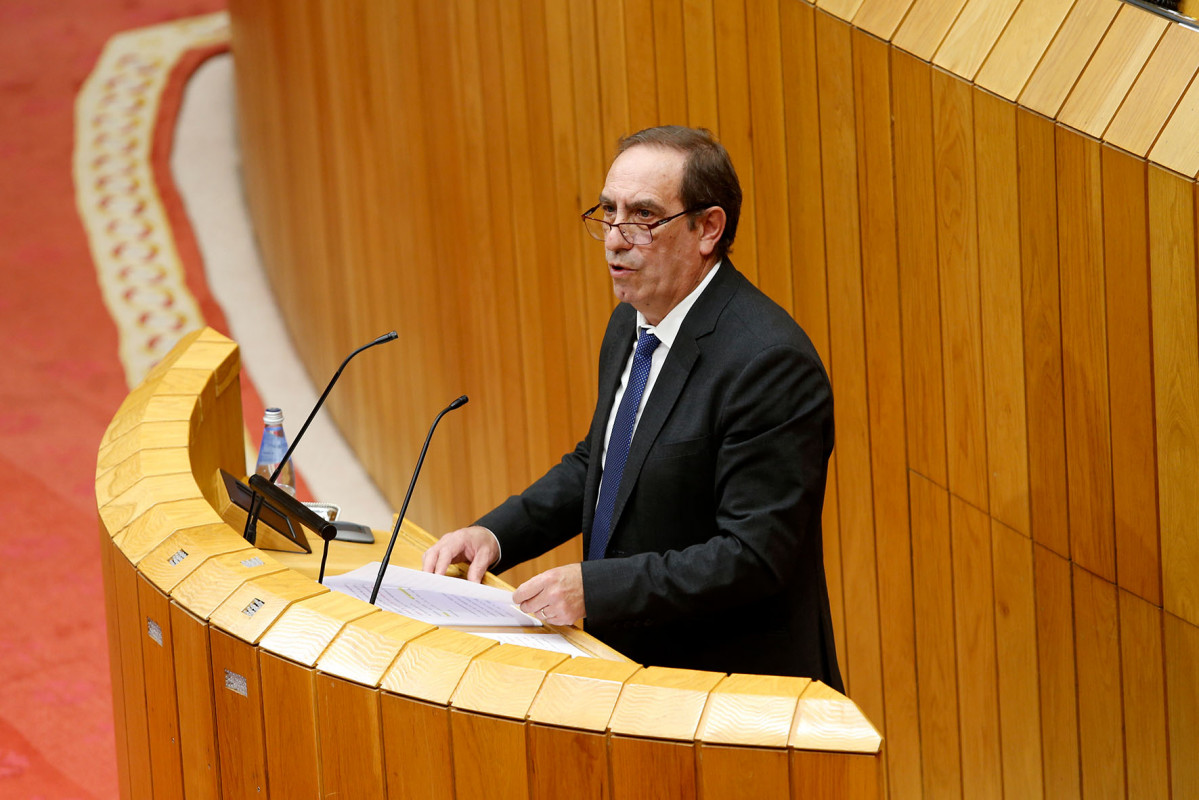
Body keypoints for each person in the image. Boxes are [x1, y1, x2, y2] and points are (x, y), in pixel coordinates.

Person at [423, 126, 842, 689]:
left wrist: (596, 589)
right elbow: (602, 464)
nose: (615, 240)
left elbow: (752, 556)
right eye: (608, 212)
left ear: (708, 228)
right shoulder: (633, 322)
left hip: (730, 689)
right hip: (630, 670)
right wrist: (495, 536)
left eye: (643, 216)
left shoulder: (769, 364)